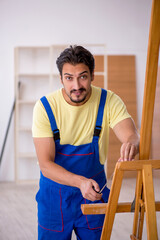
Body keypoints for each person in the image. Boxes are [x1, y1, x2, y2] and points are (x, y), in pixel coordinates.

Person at [32, 45, 139, 240]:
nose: (76, 86)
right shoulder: (45, 107)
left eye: (83, 76)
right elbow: (46, 165)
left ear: (92, 75)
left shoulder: (108, 101)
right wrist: (80, 182)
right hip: (54, 200)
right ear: (60, 78)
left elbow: (131, 135)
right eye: (69, 78)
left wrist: (131, 143)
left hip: (94, 196)